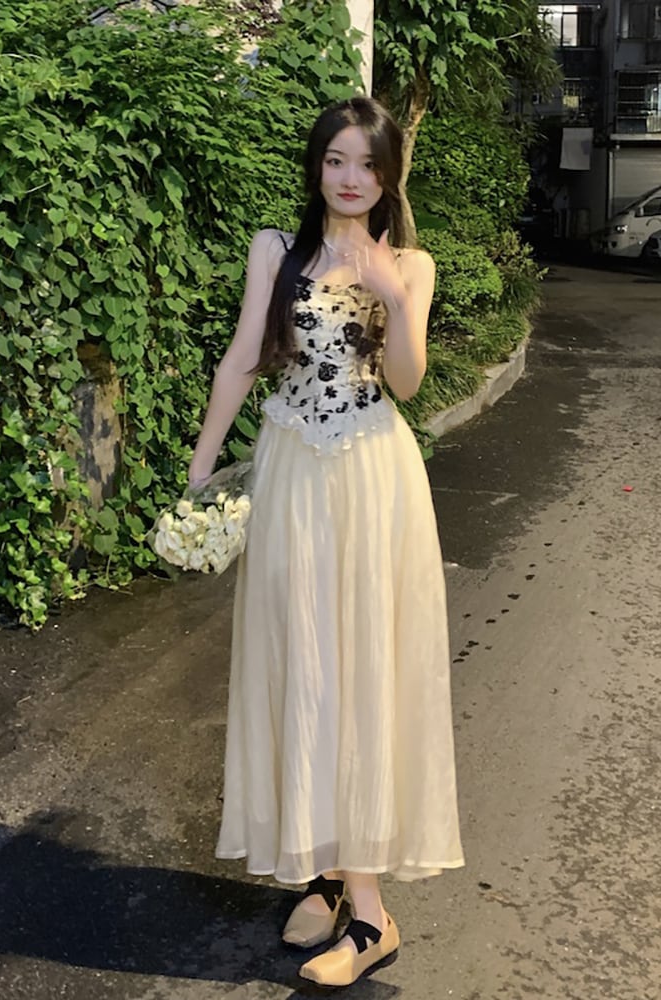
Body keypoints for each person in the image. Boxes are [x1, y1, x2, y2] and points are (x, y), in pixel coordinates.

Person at [188, 96, 464, 987]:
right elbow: (243, 358)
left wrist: (393, 295)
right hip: (292, 471)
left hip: (374, 477)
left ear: (389, 176)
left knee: (364, 668)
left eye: (368, 165)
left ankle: (373, 915)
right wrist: (200, 472)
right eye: (337, 160)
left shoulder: (410, 263)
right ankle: (325, 873)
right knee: (304, 662)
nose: (351, 178)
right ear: (317, 166)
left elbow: (408, 384)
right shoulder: (277, 251)